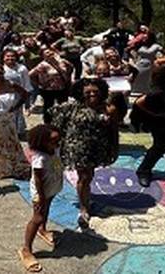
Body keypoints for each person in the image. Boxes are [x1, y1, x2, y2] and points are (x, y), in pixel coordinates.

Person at [48, 78, 125, 229]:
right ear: (80, 93)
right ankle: (84, 209)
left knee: (88, 177)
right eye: (88, 92)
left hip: (97, 149)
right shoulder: (71, 107)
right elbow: (56, 126)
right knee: (84, 177)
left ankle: (85, 198)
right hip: (77, 148)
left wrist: (114, 148)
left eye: (95, 92)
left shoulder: (107, 108)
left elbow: (113, 130)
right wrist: (53, 148)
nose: (92, 94)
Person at [18, 124, 63, 274]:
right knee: (37, 217)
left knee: (47, 209)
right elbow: (38, 180)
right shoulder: (40, 158)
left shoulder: (54, 149)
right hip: (41, 192)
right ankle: (26, 249)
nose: (58, 144)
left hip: (51, 187)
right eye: (54, 141)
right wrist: (41, 197)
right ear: (41, 142)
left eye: (58, 140)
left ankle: (42, 230)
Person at [0, 49, 33, 134]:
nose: (10, 58)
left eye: (12, 56)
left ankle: (16, 132)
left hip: (17, 96)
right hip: (1, 95)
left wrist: (27, 103)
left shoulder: (22, 68)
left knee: (16, 113)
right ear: (3, 57)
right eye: (7, 56)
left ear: (16, 57)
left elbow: (27, 85)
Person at [29, 47, 73, 123]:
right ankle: (48, 123)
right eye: (47, 53)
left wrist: (68, 77)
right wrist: (39, 83)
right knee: (48, 107)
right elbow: (30, 74)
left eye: (50, 52)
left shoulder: (61, 61)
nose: (49, 54)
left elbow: (71, 67)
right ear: (43, 56)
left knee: (64, 106)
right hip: (48, 89)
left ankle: (63, 122)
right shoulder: (42, 65)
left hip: (62, 88)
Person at [129, 31, 164, 96]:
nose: (144, 39)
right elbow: (134, 54)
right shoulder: (140, 46)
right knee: (137, 80)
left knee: (148, 81)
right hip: (140, 65)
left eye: (146, 37)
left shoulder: (156, 46)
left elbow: (161, 55)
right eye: (143, 38)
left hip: (150, 65)